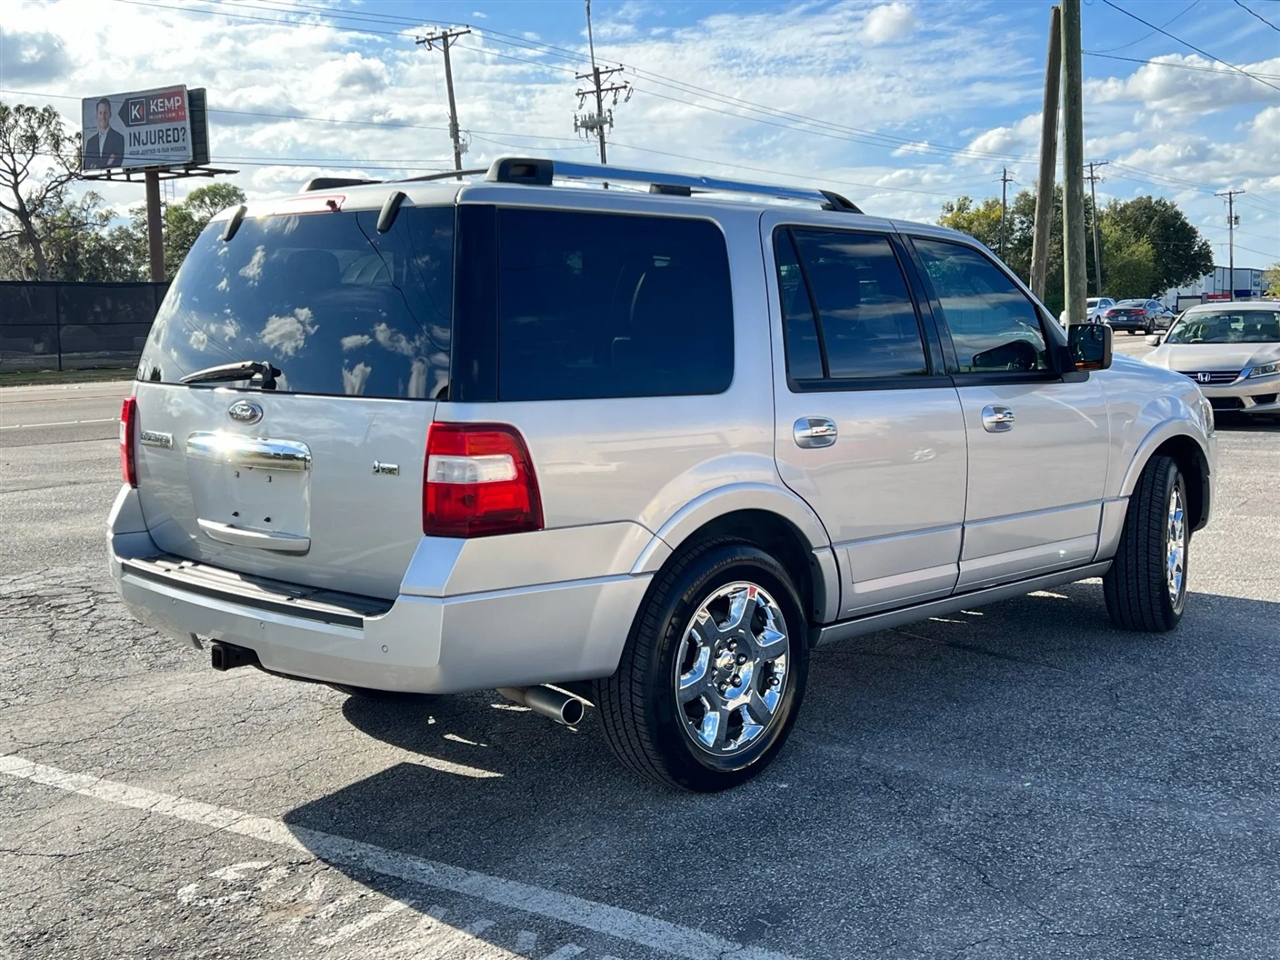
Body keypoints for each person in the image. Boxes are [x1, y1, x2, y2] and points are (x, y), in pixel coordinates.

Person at [84, 98, 124, 170]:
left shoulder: (118, 138)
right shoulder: (90, 142)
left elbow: (117, 163)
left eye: (105, 113)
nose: (103, 117)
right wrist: (106, 163)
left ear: (110, 114)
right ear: (96, 115)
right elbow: (87, 166)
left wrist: (96, 165)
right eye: (100, 113)